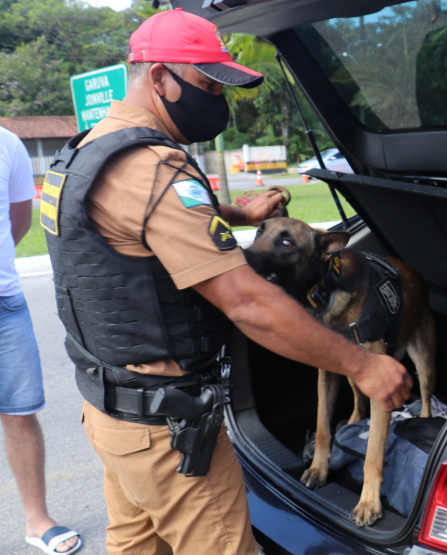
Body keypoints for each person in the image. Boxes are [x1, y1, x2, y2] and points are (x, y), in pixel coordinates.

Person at [41, 9, 412, 555]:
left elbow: (136, 224)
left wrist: (237, 213)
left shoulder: (85, 152)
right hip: (168, 433)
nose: (219, 100)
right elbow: (246, 301)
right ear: (160, 78)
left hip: (110, 412)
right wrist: (364, 365)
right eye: (209, 85)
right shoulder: (153, 168)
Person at [0, 129, 81, 555]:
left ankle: (37, 520)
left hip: (4, 303)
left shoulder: (7, 143)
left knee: (20, 414)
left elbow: (19, 218)